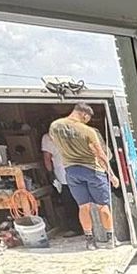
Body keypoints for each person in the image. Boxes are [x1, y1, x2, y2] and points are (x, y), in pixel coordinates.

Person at [46, 102, 116, 247]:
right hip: (92, 170)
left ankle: (90, 241)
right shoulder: (88, 131)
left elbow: (54, 141)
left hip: (71, 171)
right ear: (84, 114)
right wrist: (111, 174)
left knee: (83, 207)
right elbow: (100, 154)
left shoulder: (55, 126)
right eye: (88, 118)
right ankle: (110, 239)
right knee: (102, 206)